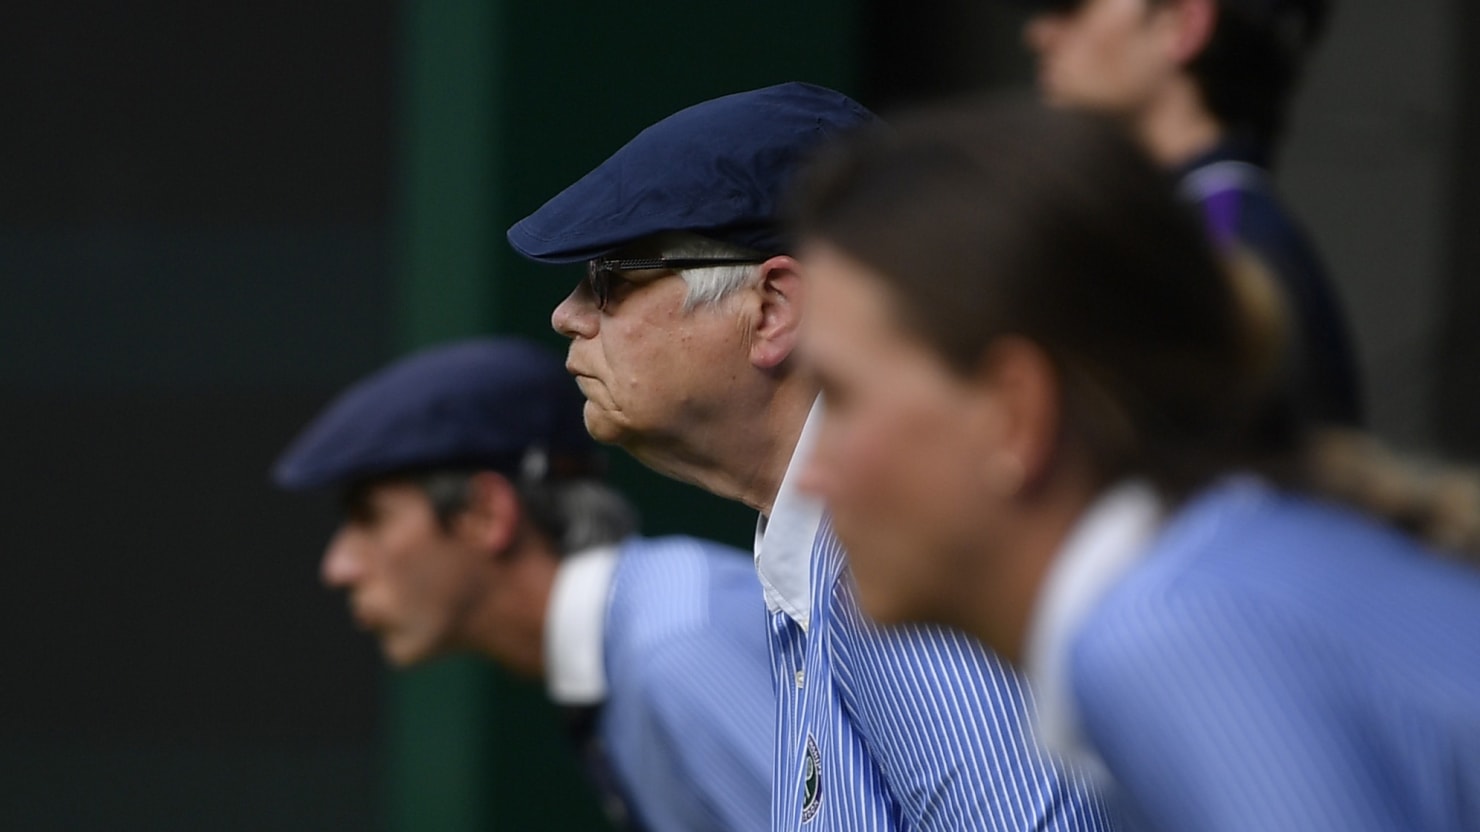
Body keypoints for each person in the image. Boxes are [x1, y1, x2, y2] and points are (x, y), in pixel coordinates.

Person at [790, 98, 1480, 831]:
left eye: (839, 397)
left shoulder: (1169, 635)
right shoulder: (1188, 596)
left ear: (1013, 415)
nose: (811, 474)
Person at [508, 82, 1110, 831]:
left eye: (610, 278)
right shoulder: (832, 549)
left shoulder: (893, 549)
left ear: (771, 312)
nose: (568, 314)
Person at [272, 337, 774, 832]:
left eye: (371, 519)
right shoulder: (637, 643)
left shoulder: (674, 649)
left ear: (485, 513)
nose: (338, 567)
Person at [1015, 0, 1363, 426]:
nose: (1038, 34)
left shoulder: (1218, 244)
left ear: (1183, 24)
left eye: (1074, 7)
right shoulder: (1185, 227)